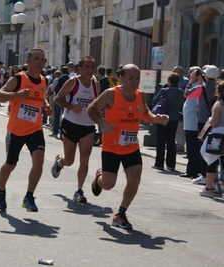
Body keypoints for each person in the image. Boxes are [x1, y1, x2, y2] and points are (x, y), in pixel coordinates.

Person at [87, 64, 169, 229]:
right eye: (131, 78)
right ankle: (99, 178)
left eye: (137, 78)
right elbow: (91, 109)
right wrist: (102, 123)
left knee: (135, 179)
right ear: (121, 78)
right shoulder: (111, 94)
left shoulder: (139, 95)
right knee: (109, 184)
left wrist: (157, 118)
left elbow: (145, 115)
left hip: (131, 146)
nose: (135, 81)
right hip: (112, 146)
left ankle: (120, 214)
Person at [0, 48, 50, 212]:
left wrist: (46, 104)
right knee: (11, 164)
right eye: (37, 59)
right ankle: (1, 189)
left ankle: (29, 196)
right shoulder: (18, 78)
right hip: (16, 129)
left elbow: (41, 95)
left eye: (43, 59)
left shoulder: (44, 80)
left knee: (39, 160)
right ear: (28, 61)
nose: (40, 62)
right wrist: (16, 95)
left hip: (35, 128)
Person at [51, 56, 100, 203]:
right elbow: (57, 99)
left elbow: (96, 104)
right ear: (79, 69)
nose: (90, 70)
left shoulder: (96, 85)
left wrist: (99, 113)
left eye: (92, 67)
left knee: (84, 160)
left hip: (88, 126)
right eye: (87, 67)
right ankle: (60, 162)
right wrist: (72, 107)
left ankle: (79, 190)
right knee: (70, 161)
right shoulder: (73, 82)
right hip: (71, 124)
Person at [151, 73, 185, 171]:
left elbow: (154, 100)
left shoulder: (164, 91)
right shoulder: (181, 92)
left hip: (163, 118)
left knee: (161, 141)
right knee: (171, 142)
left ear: (169, 81)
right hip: (174, 118)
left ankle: (159, 163)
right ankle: (171, 164)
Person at [199, 80, 224, 197]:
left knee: (211, 160)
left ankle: (209, 188)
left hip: (218, 135)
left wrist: (209, 120)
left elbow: (213, 122)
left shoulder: (218, 104)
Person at [179, 66, 203, 178]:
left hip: (193, 121)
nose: (189, 75)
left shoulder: (197, 86)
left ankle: (192, 171)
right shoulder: (195, 85)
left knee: (193, 148)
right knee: (191, 147)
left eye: (192, 73)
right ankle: (192, 169)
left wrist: (191, 81)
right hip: (189, 120)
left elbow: (187, 94)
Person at [50, 66, 70, 138]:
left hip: (58, 99)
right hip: (67, 100)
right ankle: (64, 131)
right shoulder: (70, 80)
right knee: (66, 117)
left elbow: (52, 89)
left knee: (57, 116)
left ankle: (55, 132)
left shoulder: (57, 80)